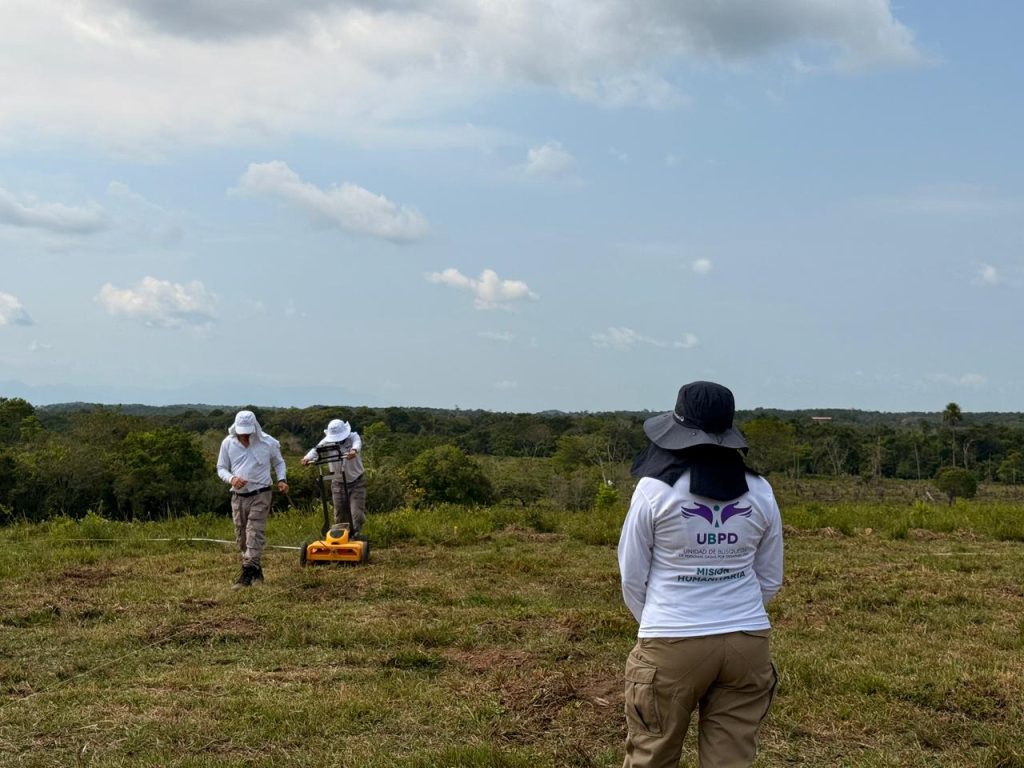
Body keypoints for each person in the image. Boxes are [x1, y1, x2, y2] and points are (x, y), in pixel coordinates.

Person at [618, 381, 783, 768]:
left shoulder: (654, 491)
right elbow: (770, 577)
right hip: (747, 643)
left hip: (672, 639)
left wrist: (658, 622)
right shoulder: (761, 491)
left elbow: (631, 575)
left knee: (652, 755)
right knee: (731, 760)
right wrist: (735, 610)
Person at [216, 410, 289, 589]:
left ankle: (246, 574)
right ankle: (256, 569)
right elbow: (221, 468)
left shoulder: (268, 442)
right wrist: (232, 479)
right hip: (238, 496)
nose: (245, 436)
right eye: (242, 432)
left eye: (248, 432)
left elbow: (279, 462)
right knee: (242, 537)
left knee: (254, 532)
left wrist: (281, 479)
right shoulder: (227, 443)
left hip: (261, 493)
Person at [302, 419, 366, 537]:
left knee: (357, 514)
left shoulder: (353, 437)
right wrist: (306, 458)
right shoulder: (327, 441)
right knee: (340, 514)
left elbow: (357, 445)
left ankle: (355, 535)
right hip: (338, 482)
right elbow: (316, 449)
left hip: (356, 482)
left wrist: (353, 451)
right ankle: (341, 538)